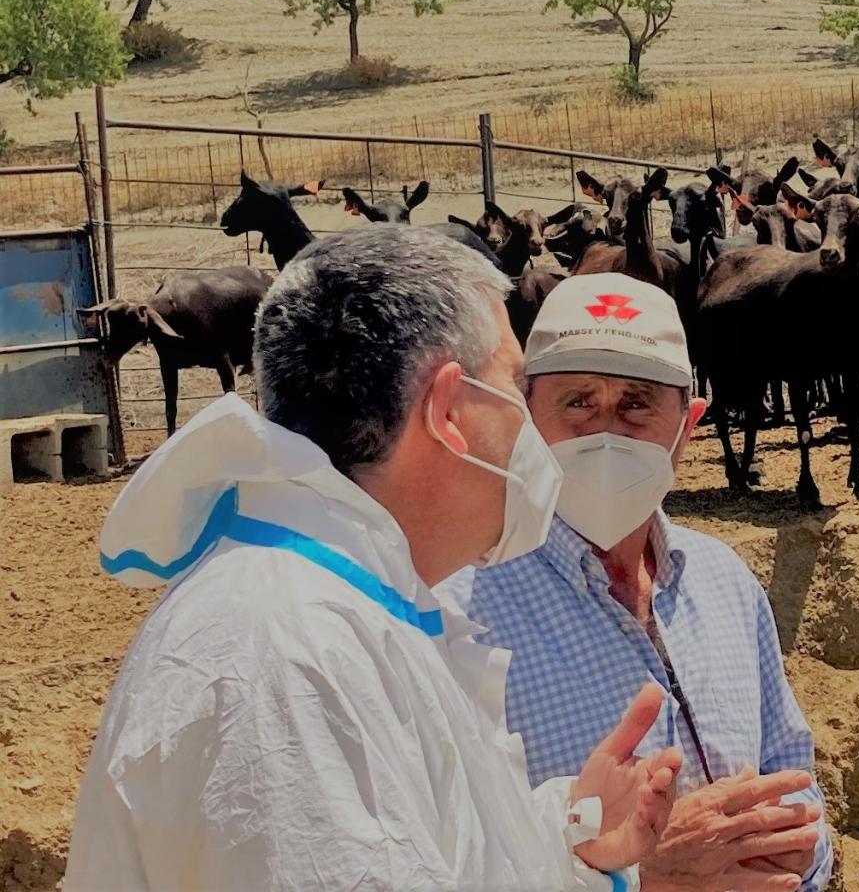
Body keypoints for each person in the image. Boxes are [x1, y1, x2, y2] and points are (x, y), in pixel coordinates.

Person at [70, 226, 683, 891]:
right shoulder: (288, 653)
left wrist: (571, 839)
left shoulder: (343, 611)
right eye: (515, 386)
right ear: (449, 412)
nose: (533, 430)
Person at [442, 274, 832, 892]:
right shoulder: (459, 609)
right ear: (524, 416)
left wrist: (795, 854)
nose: (605, 434)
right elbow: (449, 852)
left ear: (689, 424)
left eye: (637, 403)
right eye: (577, 402)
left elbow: (792, 771)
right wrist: (642, 878)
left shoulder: (723, 580)